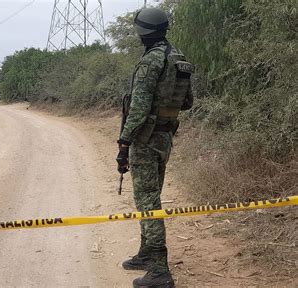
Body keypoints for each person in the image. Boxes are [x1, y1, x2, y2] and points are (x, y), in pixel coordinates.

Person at [116, 7, 194, 288]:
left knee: (148, 202)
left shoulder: (151, 61)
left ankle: (160, 271)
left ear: (142, 32)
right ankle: (147, 253)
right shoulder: (178, 58)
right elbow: (187, 102)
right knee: (150, 197)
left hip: (146, 139)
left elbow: (138, 108)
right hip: (165, 136)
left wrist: (124, 142)